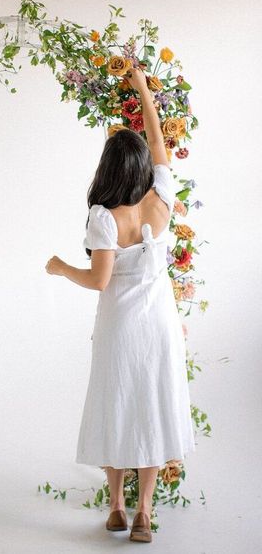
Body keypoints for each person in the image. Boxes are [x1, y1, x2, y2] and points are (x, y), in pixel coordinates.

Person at [45, 66, 196, 543]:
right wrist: (142, 89)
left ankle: (115, 507)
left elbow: (99, 279)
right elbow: (156, 138)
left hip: (121, 329)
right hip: (161, 327)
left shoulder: (103, 217)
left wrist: (60, 267)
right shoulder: (162, 199)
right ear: (143, 169)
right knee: (152, 408)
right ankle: (145, 513)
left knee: (116, 407)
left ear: (108, 169)